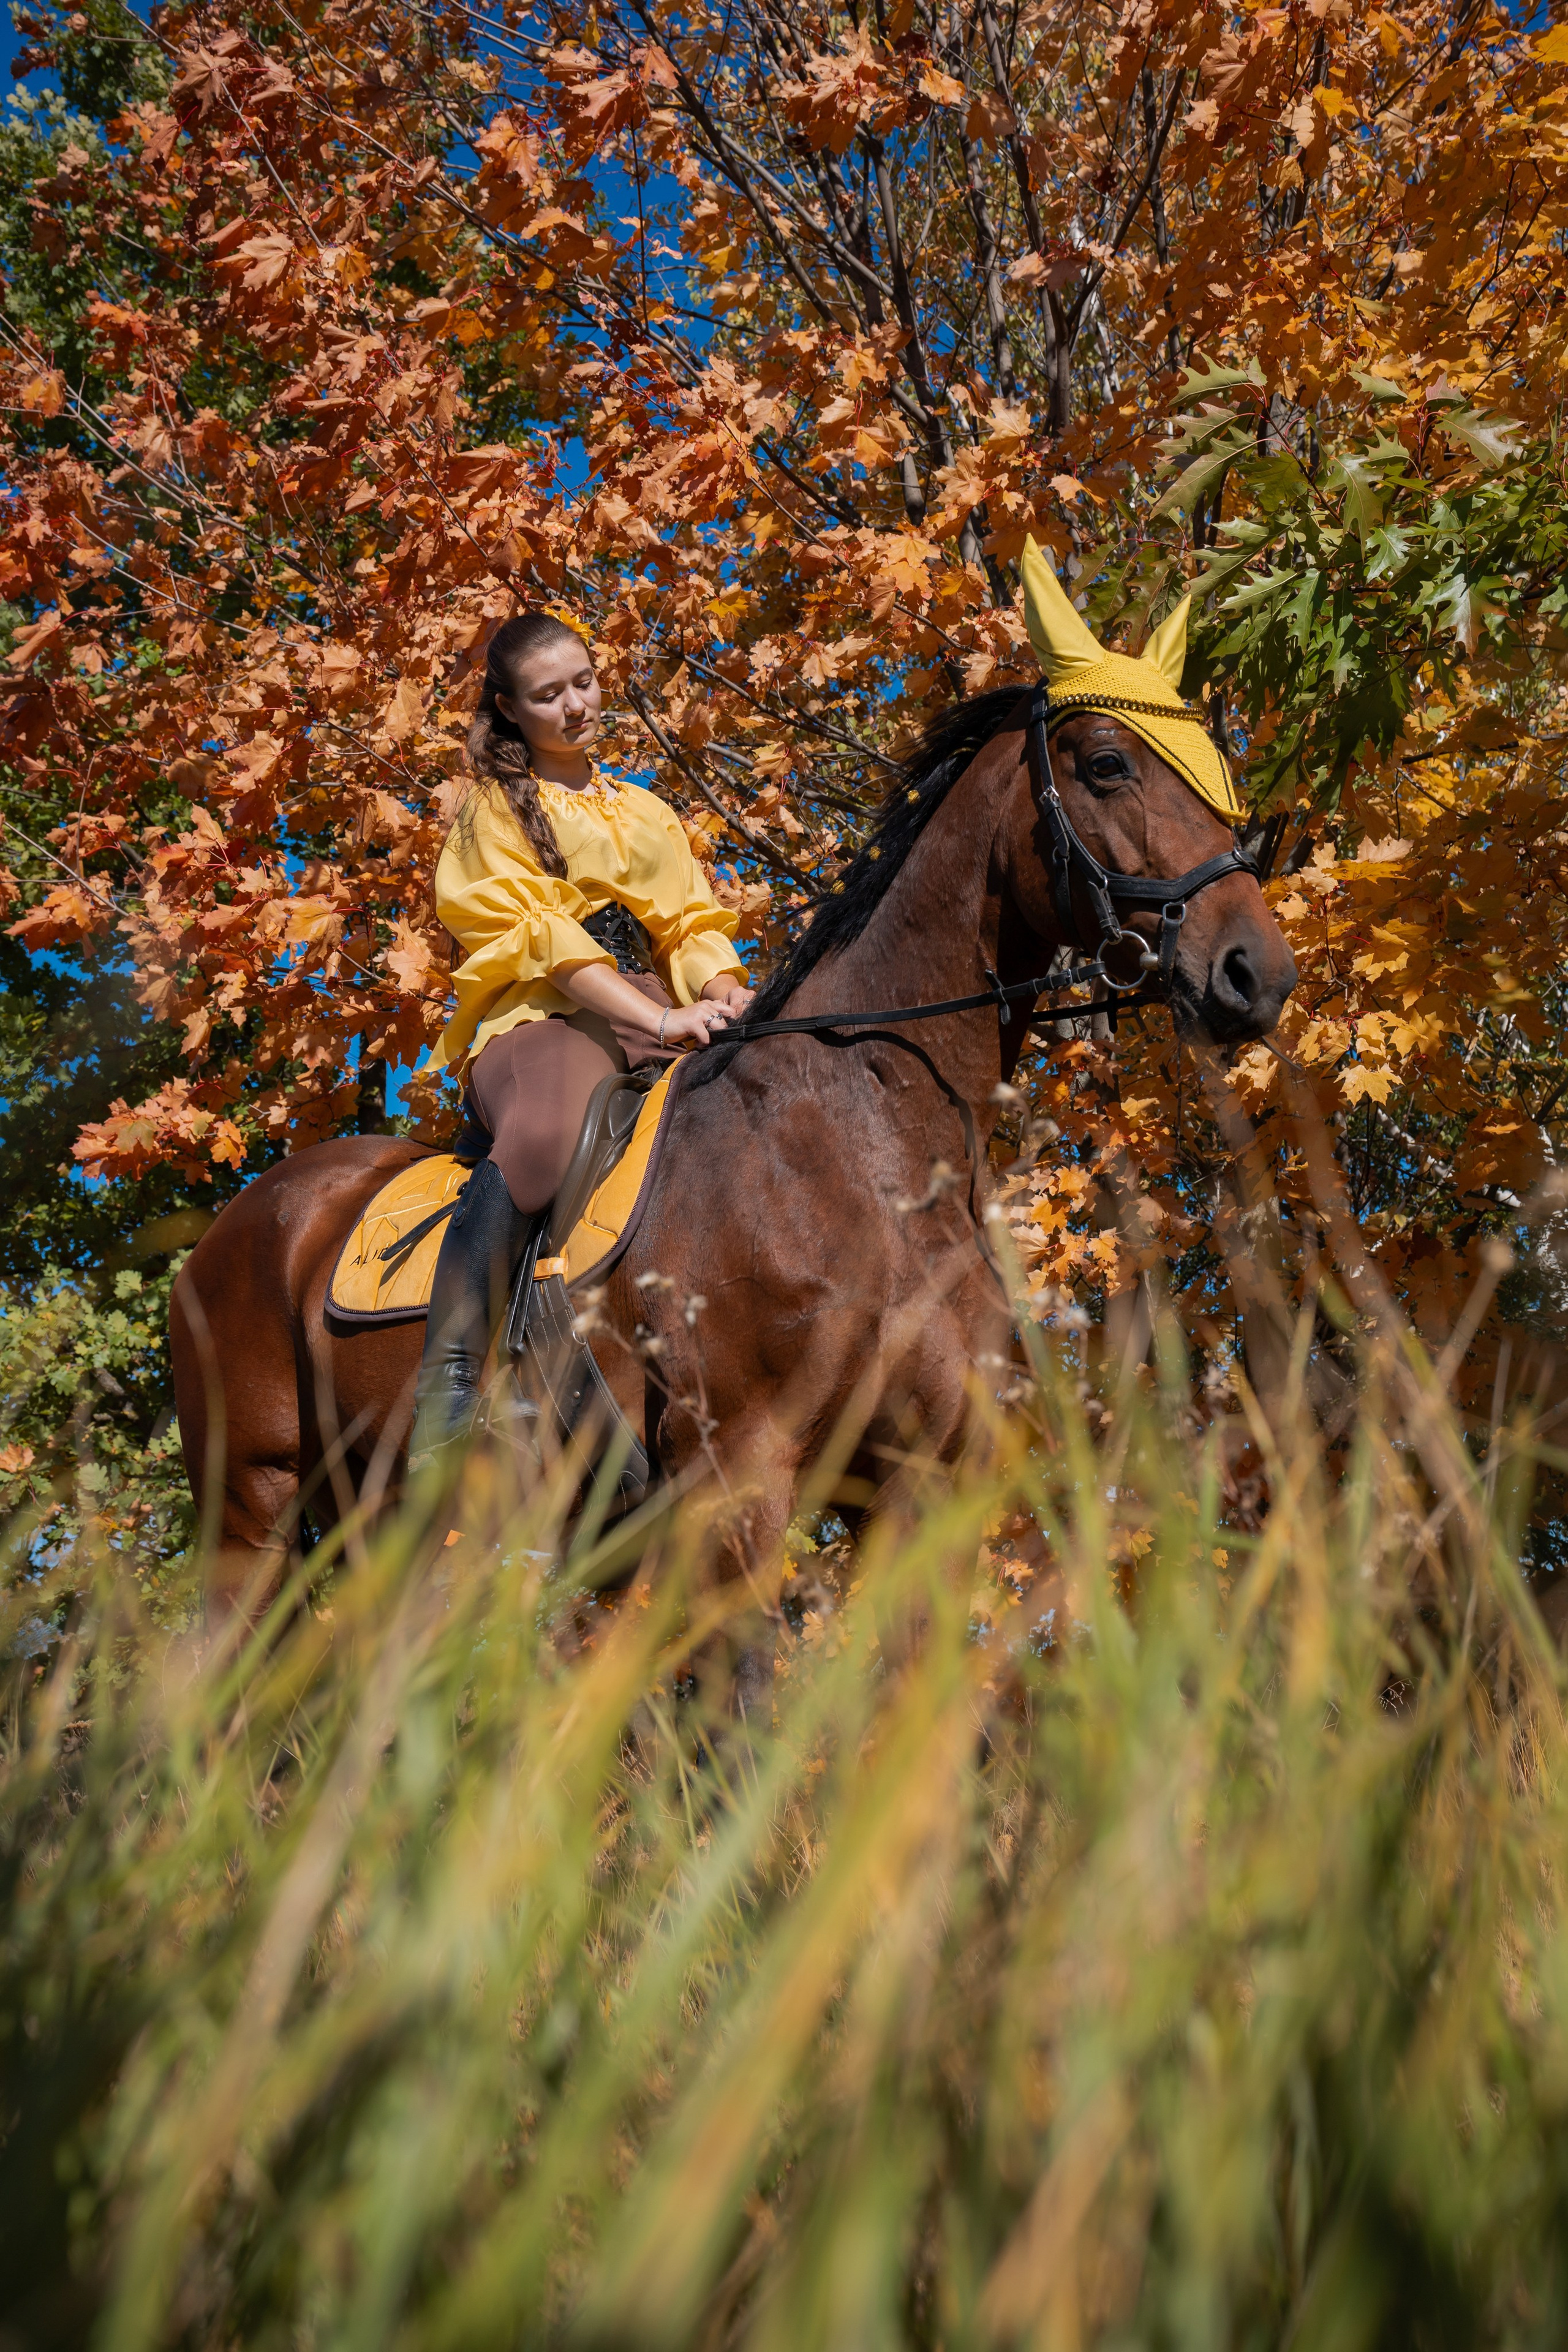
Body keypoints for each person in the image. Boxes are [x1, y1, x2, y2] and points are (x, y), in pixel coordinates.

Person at [409, 611, 753, 1464]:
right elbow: (547, 944)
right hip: (542, 1016)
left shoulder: (646, 809)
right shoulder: (490, 812)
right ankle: (451, 1379)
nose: (576, 705)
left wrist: (724, 990)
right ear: (510, 708)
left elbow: (689, 923)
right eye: (548, 694)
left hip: (655, 1012)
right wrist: (664, 1019)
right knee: (549, 1131)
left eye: (585, 682)